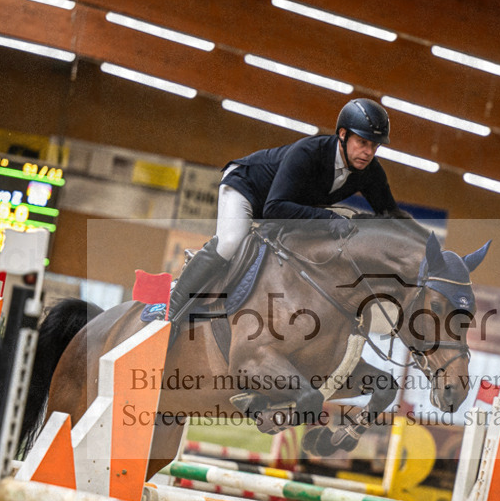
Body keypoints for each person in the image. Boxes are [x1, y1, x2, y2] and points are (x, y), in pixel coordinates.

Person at [166, 98, 408, 332]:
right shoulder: (309, 152)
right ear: (343, 134)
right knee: (230, 242)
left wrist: (413, 241)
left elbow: (389, 213)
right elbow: (274, 207)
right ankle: (171, 310)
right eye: (362, 142)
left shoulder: (370, 172)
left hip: (282, 207)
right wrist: (331, 220)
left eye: (374, 146)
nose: (368, 152)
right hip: (247, 187)